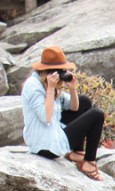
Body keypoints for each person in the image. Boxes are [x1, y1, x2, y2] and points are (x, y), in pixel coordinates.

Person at [21, 45, 106, 181]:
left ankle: (77, 153)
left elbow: (75, 108)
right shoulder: (33, 86)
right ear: (49, 72)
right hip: (46, 146)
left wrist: (72, 89)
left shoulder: (46, 82)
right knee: (97, 114)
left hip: (51, 133)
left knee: (84, 101)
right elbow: (46, 118)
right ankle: (89, 163)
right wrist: (50, 89)